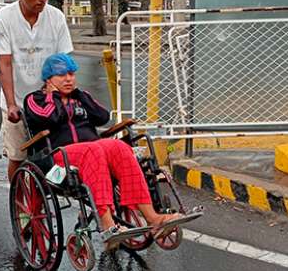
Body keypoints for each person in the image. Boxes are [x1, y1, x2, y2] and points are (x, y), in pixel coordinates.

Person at [24, 54, 200, 250]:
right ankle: (108, 225)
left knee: (119, 147)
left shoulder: (79, 97)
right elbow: (50, 118)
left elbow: (102, 116)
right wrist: (55, 96)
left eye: (72, 74)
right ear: (49, 78)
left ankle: (153, 218)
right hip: (59, 154)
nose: (69, 79)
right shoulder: (35, 99)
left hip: (92, 151)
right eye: (62, 75)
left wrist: (79, 96)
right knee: (93, 149)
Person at [0, 0, 73, 180]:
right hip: (17, 100)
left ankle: (46, 195)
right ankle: (20, 204)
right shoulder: (3, 18)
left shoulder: (56, 17)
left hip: (49, 101)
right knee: (18, 157)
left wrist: (62, 96)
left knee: (58, 153)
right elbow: (5, 64)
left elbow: (63, 61)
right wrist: (11, 104)